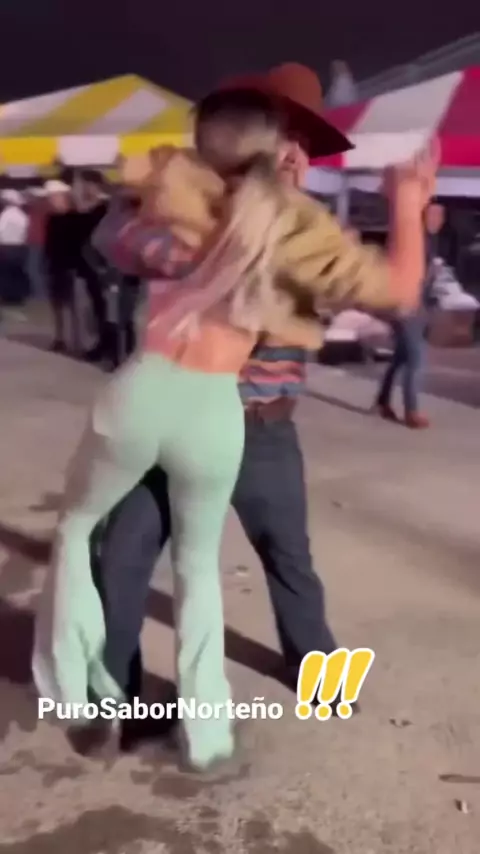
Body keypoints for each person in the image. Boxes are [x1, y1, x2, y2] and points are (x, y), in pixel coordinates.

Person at [87, 62, 436, 750]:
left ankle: (319, 675)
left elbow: (384, 293)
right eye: (284, 137)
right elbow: (111, 240)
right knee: (122, 556)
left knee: (288, 559)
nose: (294, 154)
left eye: (304, 142)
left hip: (262, 430)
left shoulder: (304, 232)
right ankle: (118, 699)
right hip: (170, 425)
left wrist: (392, 217)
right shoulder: (184, 208)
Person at [375, 201, 444, 428]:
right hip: (408, 306)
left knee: (401, 357)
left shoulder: (430, 242)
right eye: (432, 215)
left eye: (440, 216)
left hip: (417, 306)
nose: (437, 220)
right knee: (417, 358)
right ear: (422, 217)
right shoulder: (415, 241)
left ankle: (382, 401)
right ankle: (411, 411)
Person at [74, 170, 110, 363]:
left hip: (103, 267)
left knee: (108, 310)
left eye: (86, 185)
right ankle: (102, 345)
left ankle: (110, 347)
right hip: (88, 266)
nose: (84, 189)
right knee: (98, 309)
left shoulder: (105, 209)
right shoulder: (86, 211)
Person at [43, 181, 80, 354]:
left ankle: (76, 339)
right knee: (57, 303)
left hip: (71, 266)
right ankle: (60, 337)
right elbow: (49, 242)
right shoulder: (52, 218)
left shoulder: (75, 217)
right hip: (55, 265)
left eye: (53, 197)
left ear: (63, 197)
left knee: (74, 304)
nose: (51, 200)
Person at [0, 189, 30, 306]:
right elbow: (26, 230)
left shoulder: (6, 214)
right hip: (20, 247)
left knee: (6, 273)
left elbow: (1, 230)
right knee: (17, 273)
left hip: (7, 247)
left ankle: (8, 297)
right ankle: (18, 297)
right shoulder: (22, 215)